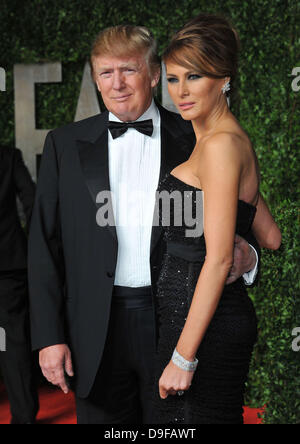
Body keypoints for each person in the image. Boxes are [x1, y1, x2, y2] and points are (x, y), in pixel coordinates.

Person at [29, 25, 262, 425]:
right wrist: (49, 337)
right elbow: (43, 246)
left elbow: (249, 219)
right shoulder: (64, 145)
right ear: (95, 78)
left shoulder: (198, 137)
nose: (116, 84)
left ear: (154, 75)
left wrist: (249, 257)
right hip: (94, 330)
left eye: (128, 70)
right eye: (105, 72)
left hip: (174, 320)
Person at [153, 14, 282, 424]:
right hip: (191, 319)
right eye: (172, 79)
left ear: (223, 77)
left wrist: (183, 357)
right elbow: (271, 236)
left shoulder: (221, 145)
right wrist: (250, 256)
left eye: (194, 76)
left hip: (202, 333)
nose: (181, 91)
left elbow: (219, 258)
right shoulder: (221, 140)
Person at [0, 145, 38, 424]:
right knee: (10, 341)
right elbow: (32, 200)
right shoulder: (7, 155)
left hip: (8, 268)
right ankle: (23, 416)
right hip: (8, 263)